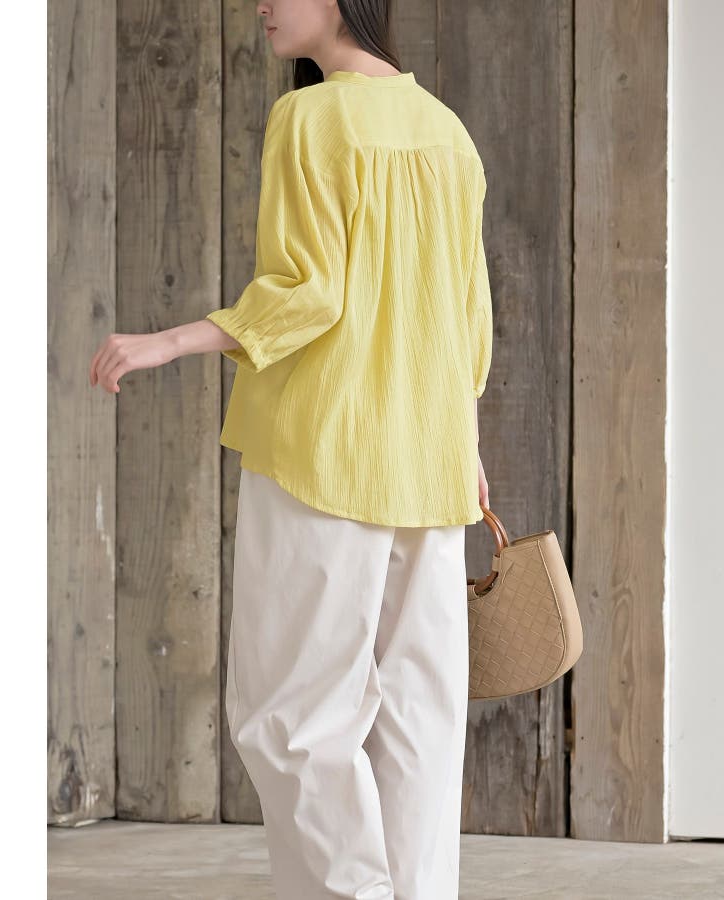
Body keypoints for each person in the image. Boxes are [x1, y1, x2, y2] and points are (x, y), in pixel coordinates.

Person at [89, 1, 493, 897]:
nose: (262, 4)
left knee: (292, 715)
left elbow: (307, 293)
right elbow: (468, 317)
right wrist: (461, 440)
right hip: (430, 459)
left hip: (324, 448)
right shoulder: (446, 131)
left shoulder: (312, 116)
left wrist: (171, 340)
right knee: (419, 717)